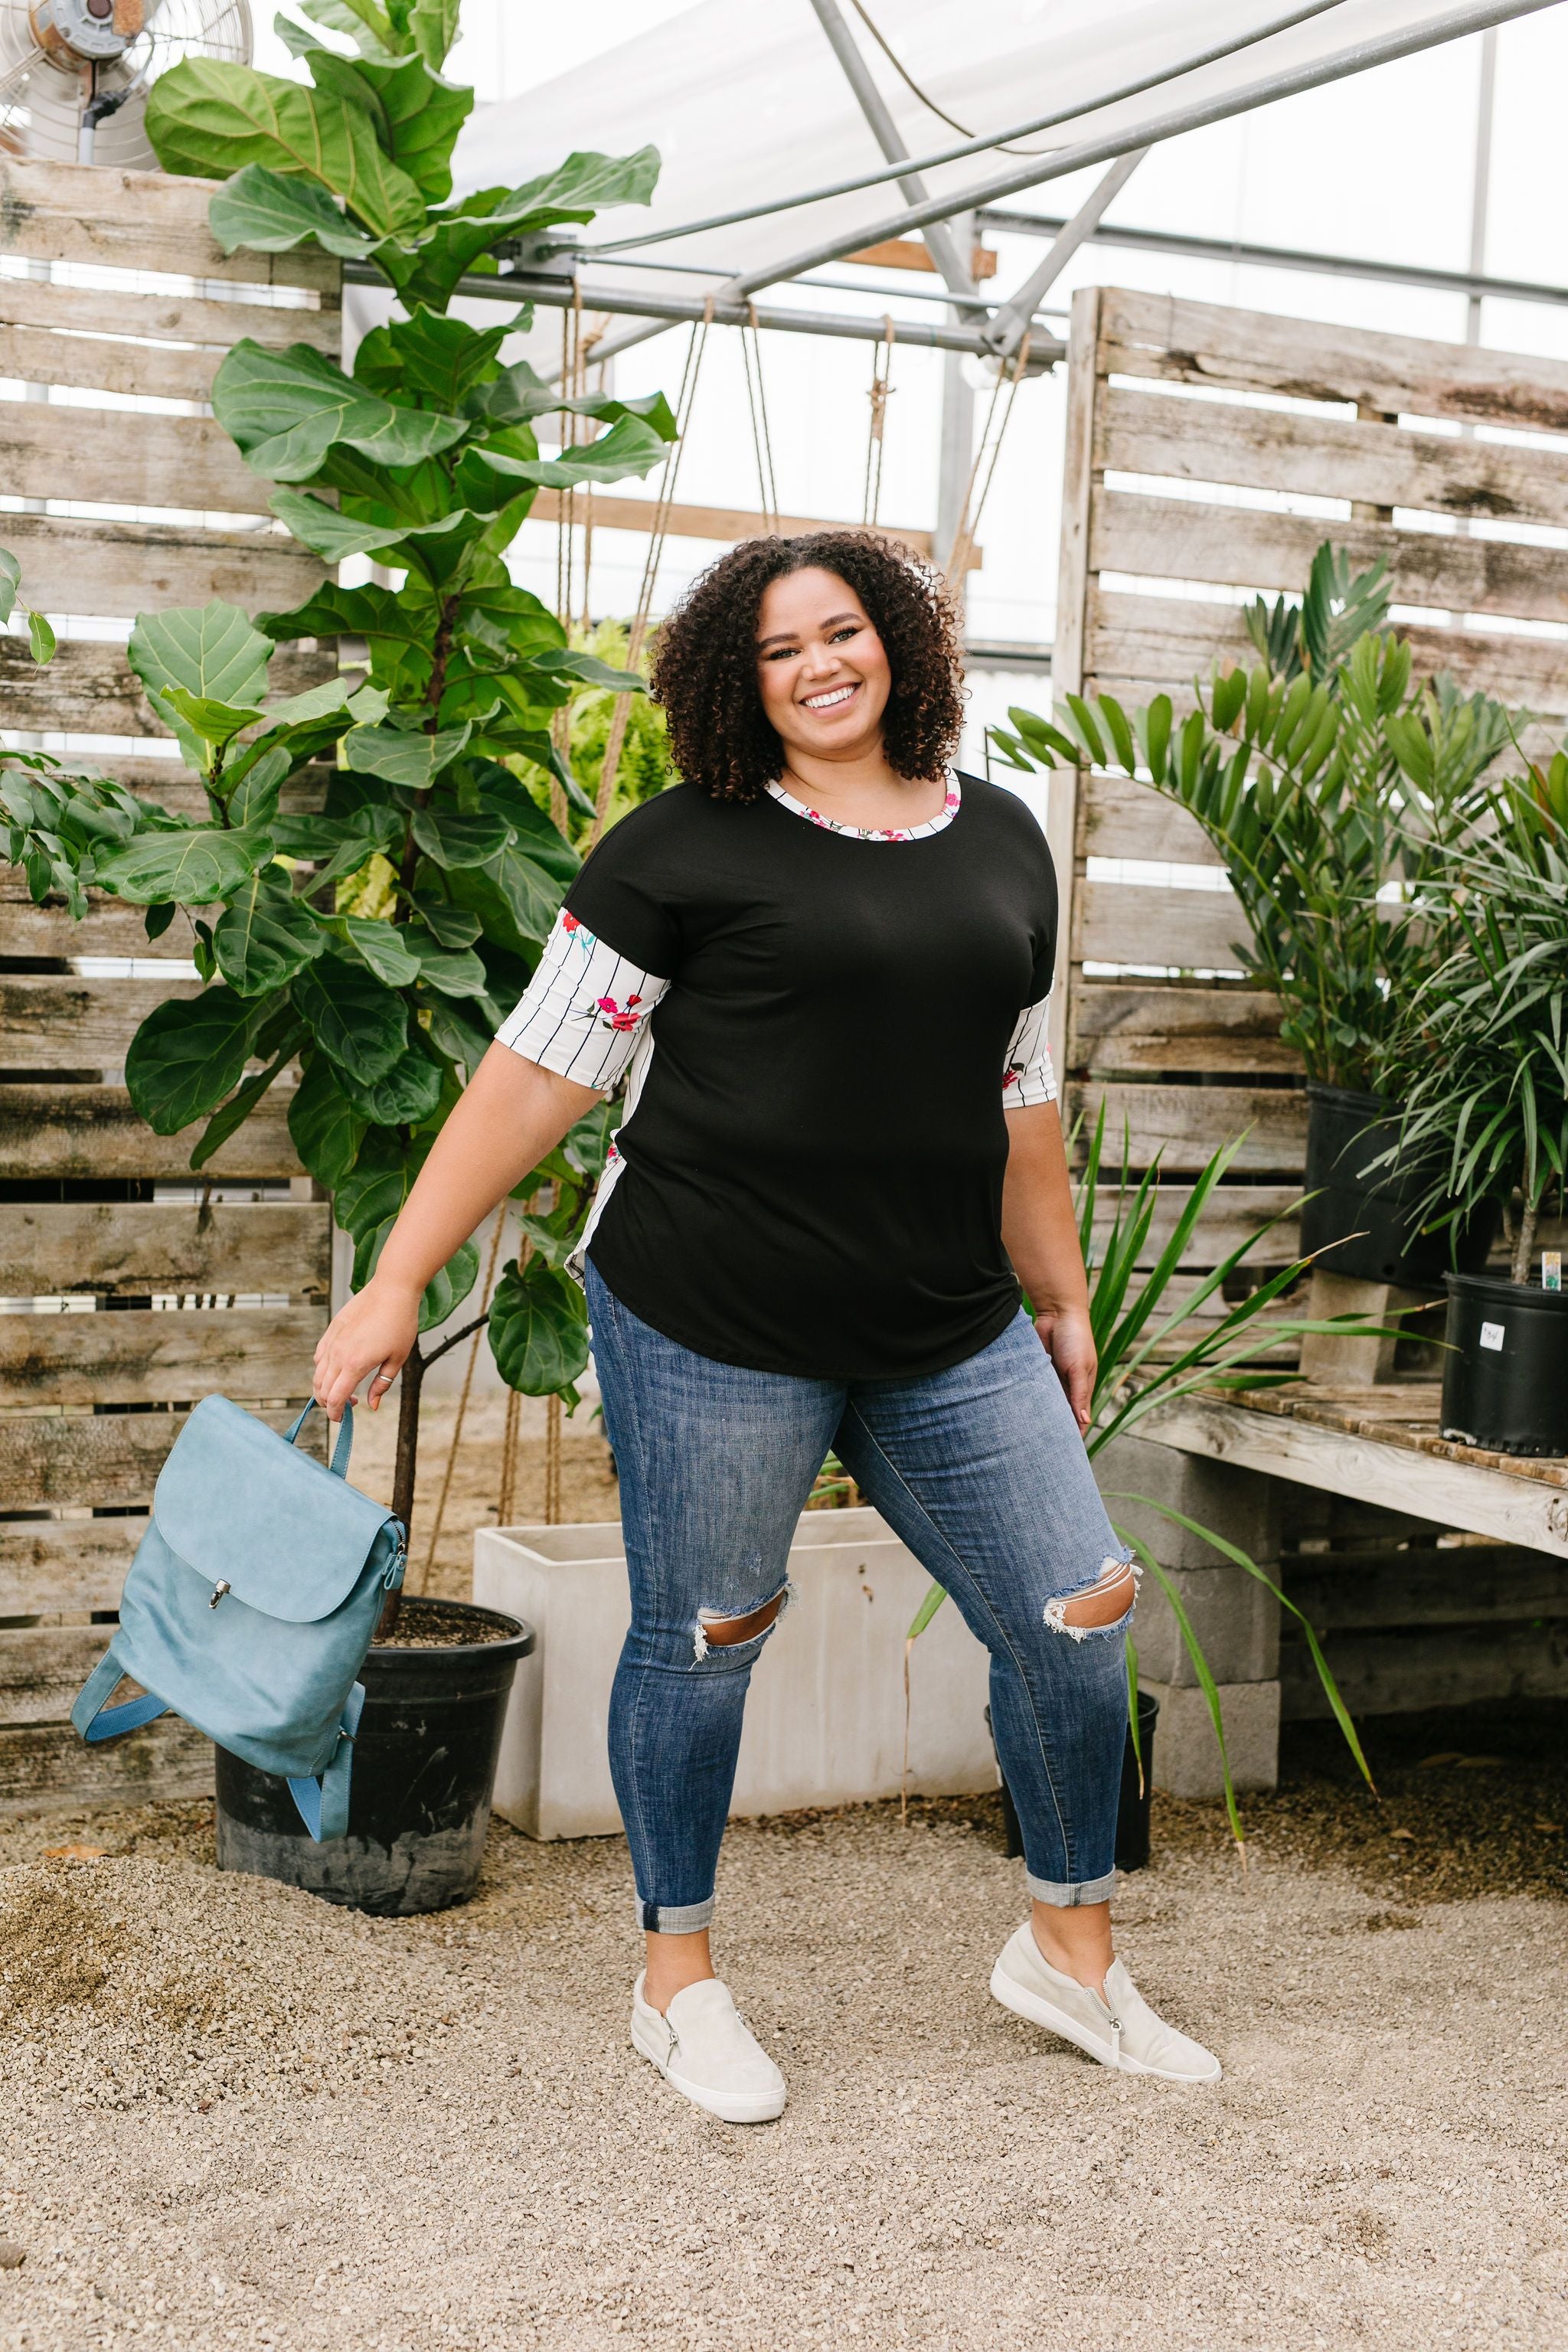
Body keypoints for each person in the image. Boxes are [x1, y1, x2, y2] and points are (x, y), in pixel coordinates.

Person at [312, 530, 1220, 2121]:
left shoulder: (1003, 840)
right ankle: (679, 1982)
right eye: (779, 649)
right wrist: (399, 1276)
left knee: (1077, 1612)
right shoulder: (678, 850)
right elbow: (538, 1071)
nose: (818, 665)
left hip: (945, 1324)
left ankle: (1068, 1958)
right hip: (711, 1316)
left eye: (843, 632)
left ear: (903, 648)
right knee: (705, 1641)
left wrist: (1061, 1297)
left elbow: (1020, 1096)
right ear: (736, 683)